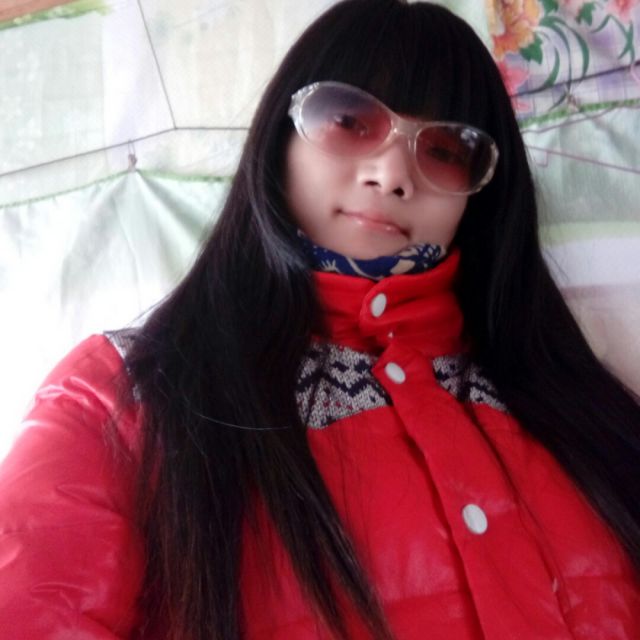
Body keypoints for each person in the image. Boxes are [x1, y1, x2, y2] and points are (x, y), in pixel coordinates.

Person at [1, 0, 639, 638]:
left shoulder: (576, 401)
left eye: (445, 149)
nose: (392, 174)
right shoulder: (124, 394)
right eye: (348, 120)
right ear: (279, 136)